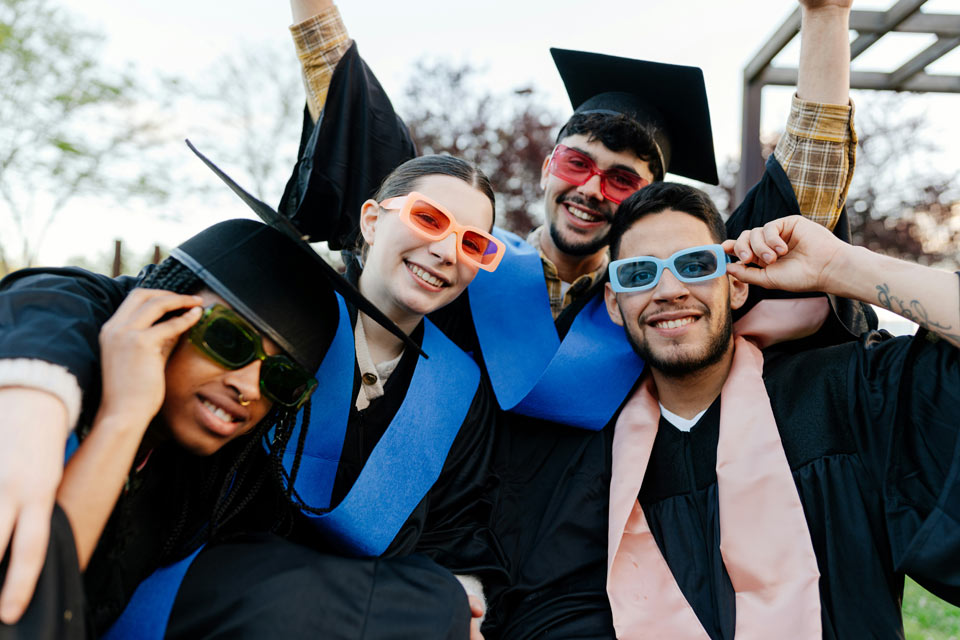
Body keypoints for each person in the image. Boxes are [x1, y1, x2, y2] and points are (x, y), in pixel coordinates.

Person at [277, 0, 866, 636]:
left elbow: (802, 186)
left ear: (645, 202)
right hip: (432, 562)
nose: (590, 189)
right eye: (577, 163)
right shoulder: (468, 268)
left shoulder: (659, 303)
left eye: (620, 180)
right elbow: (364, 132)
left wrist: (826, 16)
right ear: (547, 166)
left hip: (580, 589)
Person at [0, 143, 502, 638]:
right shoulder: (282, 295)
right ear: (371, 221)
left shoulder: (460, 390)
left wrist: (463, 602)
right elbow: (111, 297)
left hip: (337, 609)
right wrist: (36, 389)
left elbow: (456, 519)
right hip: (199, 591)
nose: (445, 251)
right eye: (429, 219)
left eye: (473, 244)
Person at [602, 181, 960, 639]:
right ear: (615, 303)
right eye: (638, 274)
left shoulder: (847, 393)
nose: (669, 290)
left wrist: (841, 267)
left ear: (734, 285)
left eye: (695, 265)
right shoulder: (599, 461)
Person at [0, 217, 346, 638]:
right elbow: (57, 299)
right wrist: (111, 412)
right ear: (165, 310)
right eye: (228, 340)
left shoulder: (215, 486)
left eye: (281, 379)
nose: (249, 388)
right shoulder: (54, 392)